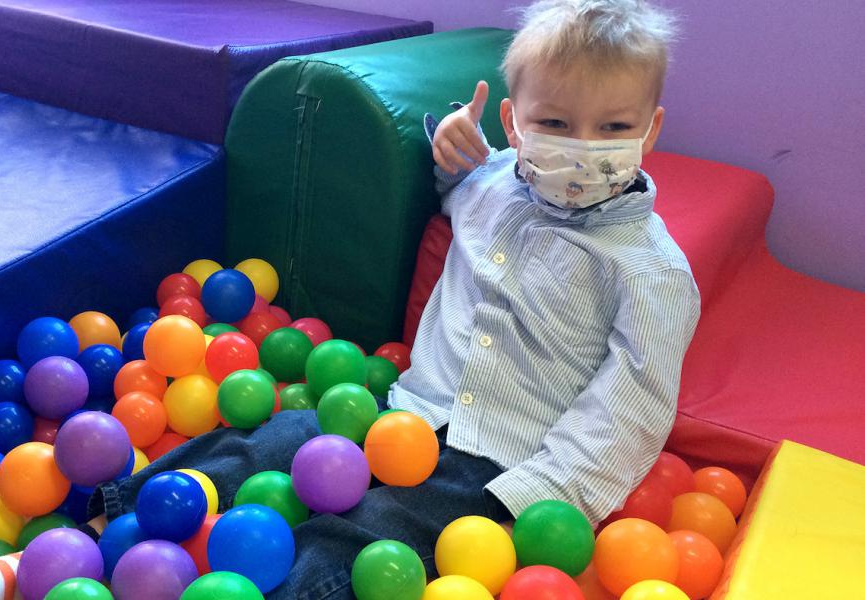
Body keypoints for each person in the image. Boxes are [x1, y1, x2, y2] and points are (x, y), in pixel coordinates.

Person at [87, 1, 701, 597]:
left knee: (363, 541)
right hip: (399, 406)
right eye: (556, 125)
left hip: (492, 471)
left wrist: (540, 502)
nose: (580, 149)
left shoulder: (651, 272)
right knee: (267, 442)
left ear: (651, 130)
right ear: (515, 124)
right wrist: (456, 143)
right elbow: (460, 179)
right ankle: (98, 531)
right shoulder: (492, 185)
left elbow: (631, 410)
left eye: (613, 128)